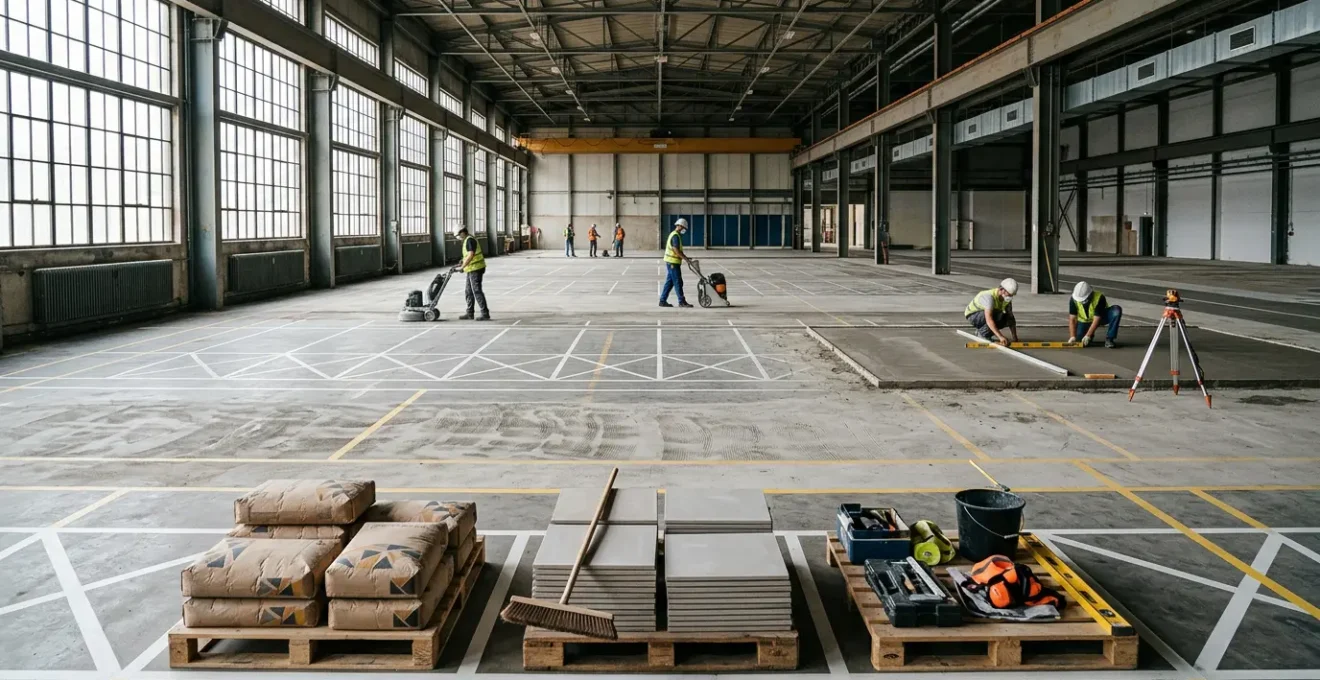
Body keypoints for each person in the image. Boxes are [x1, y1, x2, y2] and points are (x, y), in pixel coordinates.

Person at [965, 278, 1020, 346]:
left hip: (986, 315)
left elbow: (1011, 318)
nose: (1010, 297)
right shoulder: (989, 297)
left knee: (1005, 317)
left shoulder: (1006, 300)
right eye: (1009, 294)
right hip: (973, 315)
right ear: (1002, 289)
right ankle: (982, 334)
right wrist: (1000, 337)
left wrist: (1015, 337)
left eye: (1012, 295)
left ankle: (982, 332)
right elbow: (989, 319)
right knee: (997, 314)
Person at [1068, 281, 1122, 348]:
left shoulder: (1099, 298)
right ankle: (1089, 336)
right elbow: (1072, 319)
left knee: (1116, 311)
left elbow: (1097, 319)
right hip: (1084, 321)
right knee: (1080, 341)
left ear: (1090, 294)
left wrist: (1088, 335)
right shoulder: (1074, 299)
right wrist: (1072, 336)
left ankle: (1110, 338)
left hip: (1101, 318)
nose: (1082, 302)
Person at [457, 226, 489, 321]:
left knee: (476, 290)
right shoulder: (467, 239)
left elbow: (471, 255)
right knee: (468, 291)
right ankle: (469, 313)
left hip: (476, 268)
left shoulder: (469, 240)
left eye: (459, 235)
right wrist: (462, 261)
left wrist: (462, 267)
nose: (459, 237)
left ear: (462, 232)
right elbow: (467, 255)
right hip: (471, 269)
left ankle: (485, 313)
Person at [660, 218, 694, 308]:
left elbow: (678, 250)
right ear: (680, 226)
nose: (684, 230)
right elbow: (676, 250)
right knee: (678, 282)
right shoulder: (675, 236)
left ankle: (662, 301)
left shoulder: (675, 234)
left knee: (670, 282)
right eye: (683, 228)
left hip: (671, 262)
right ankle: (681, 302)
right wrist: (686, 259)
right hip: (673, 263)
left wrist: (686, 258)